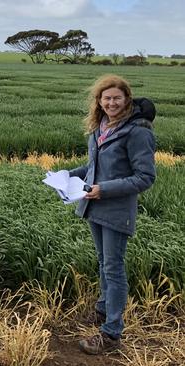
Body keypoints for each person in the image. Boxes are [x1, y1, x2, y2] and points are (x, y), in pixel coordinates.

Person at [69, 74, 156, 355]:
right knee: (103, 261)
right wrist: (67, 175)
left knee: (114, 268)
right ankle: (103, 311)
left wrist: (103, 189)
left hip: (116, 209)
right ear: (99, 101)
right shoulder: (100, 127)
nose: (111, 103)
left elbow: (144, 177)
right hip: (96, 206)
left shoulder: (138, 131)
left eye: (117, 98)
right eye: (106, 98)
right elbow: (93, 166)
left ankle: (111, 333)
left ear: (126, 99)